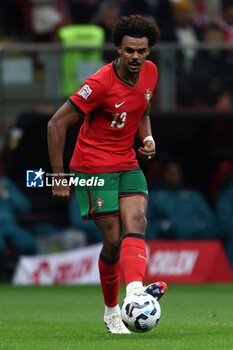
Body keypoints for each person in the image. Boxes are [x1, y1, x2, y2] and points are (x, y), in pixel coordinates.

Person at [48, 14, 167, 334]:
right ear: (118, 48)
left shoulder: (151, 73)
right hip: (93, 166)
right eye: (129, 50)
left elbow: (141, 110)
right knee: (112, 240)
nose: (136, 57)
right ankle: (113, 311)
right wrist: (58, 175)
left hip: (127, 161)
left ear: (149, 51)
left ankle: (135, 293)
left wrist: (147, 138)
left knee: (137, 221)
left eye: (141, 51)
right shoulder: (99, 83)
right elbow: (56, 124)